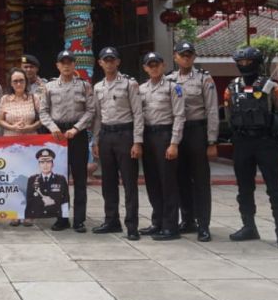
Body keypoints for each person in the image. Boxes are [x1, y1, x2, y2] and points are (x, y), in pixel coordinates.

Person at [225, 46, 278, 249]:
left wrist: (270, 125)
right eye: (241, 62)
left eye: (248, 61)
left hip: (266, 142)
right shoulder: (231, 88)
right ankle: (249, 226)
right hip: (242, 142)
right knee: (244, 188)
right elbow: (229, 116)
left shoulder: (271, 87)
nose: (245, 65)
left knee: (275, 189)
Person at [166, 41, 218, 242]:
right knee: (180, 179)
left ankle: (203, 224)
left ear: (194, 57)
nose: (186, 57)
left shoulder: (204, 79)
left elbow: (212, 110)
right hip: (177, 133)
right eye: (182, 54)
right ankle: (187, 220)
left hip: (197, 131)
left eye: (189, 54)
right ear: (175, 57)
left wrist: (212, 141)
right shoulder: (169, 79)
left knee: (201, 181)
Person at [38, 51, 95, 232]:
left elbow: (91, 111)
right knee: (59, 179)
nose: (66, 65)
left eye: (70, 62)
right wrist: (52, 127)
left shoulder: (84, 86)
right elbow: (43, 111)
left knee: (79, 178)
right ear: (57, 65)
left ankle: (79, 219)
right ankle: (61, 217)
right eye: (63, 63)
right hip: (57, 136)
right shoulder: (49, 87)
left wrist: (77, 128)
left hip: (77, 134)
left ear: (74, 64)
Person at [91, 46, 144, 241]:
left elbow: (138, 114)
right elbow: (97, 116)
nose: (109, 63)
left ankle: (132, 225)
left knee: (129, 183)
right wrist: (95, 140)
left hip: (125, 134)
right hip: (106, 135)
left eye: (112, 59)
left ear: (118, 62)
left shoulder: (130, 84)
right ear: (100, 63)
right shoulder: (98, 87)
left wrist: (137, 141)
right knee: (108, 182)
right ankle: (111, 220)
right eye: (106, 60)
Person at [138, 51, 185, 241]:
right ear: (145, 68)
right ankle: (157, 221)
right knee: (152, 182)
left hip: (165, 136)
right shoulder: (141, 89)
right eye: (150, 65)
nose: (154, 67)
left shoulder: (174, 88)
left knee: (168, 183)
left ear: (163, 66)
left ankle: (171, 225)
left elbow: (180, 116)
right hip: (148, 136)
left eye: (157, 64)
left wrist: (174, 143)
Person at [0, 68, 43, 226]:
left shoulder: (33, 98)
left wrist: (30, 127)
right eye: (15, 81)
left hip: (31, 142)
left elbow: (42, 119)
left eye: (21, 80)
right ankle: (15, 212)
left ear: (26, 82)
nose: (18, 83)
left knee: (31, 177)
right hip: (11, 142)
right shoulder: (5, 99)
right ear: (11, 83)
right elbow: (0, 120)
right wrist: (12, 126)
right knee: (14, 177)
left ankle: (30, 211)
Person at [24, 148, 69, 220]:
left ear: (52, 164)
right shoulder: (32, 179)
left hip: (55, 212)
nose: (45, 165)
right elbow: (29, 200)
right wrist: (28, 216)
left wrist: (65, 216)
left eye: (48, 162)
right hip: (37, 213)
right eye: (42, 162)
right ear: (39, 165)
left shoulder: (60, 179)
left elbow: (65, 200)